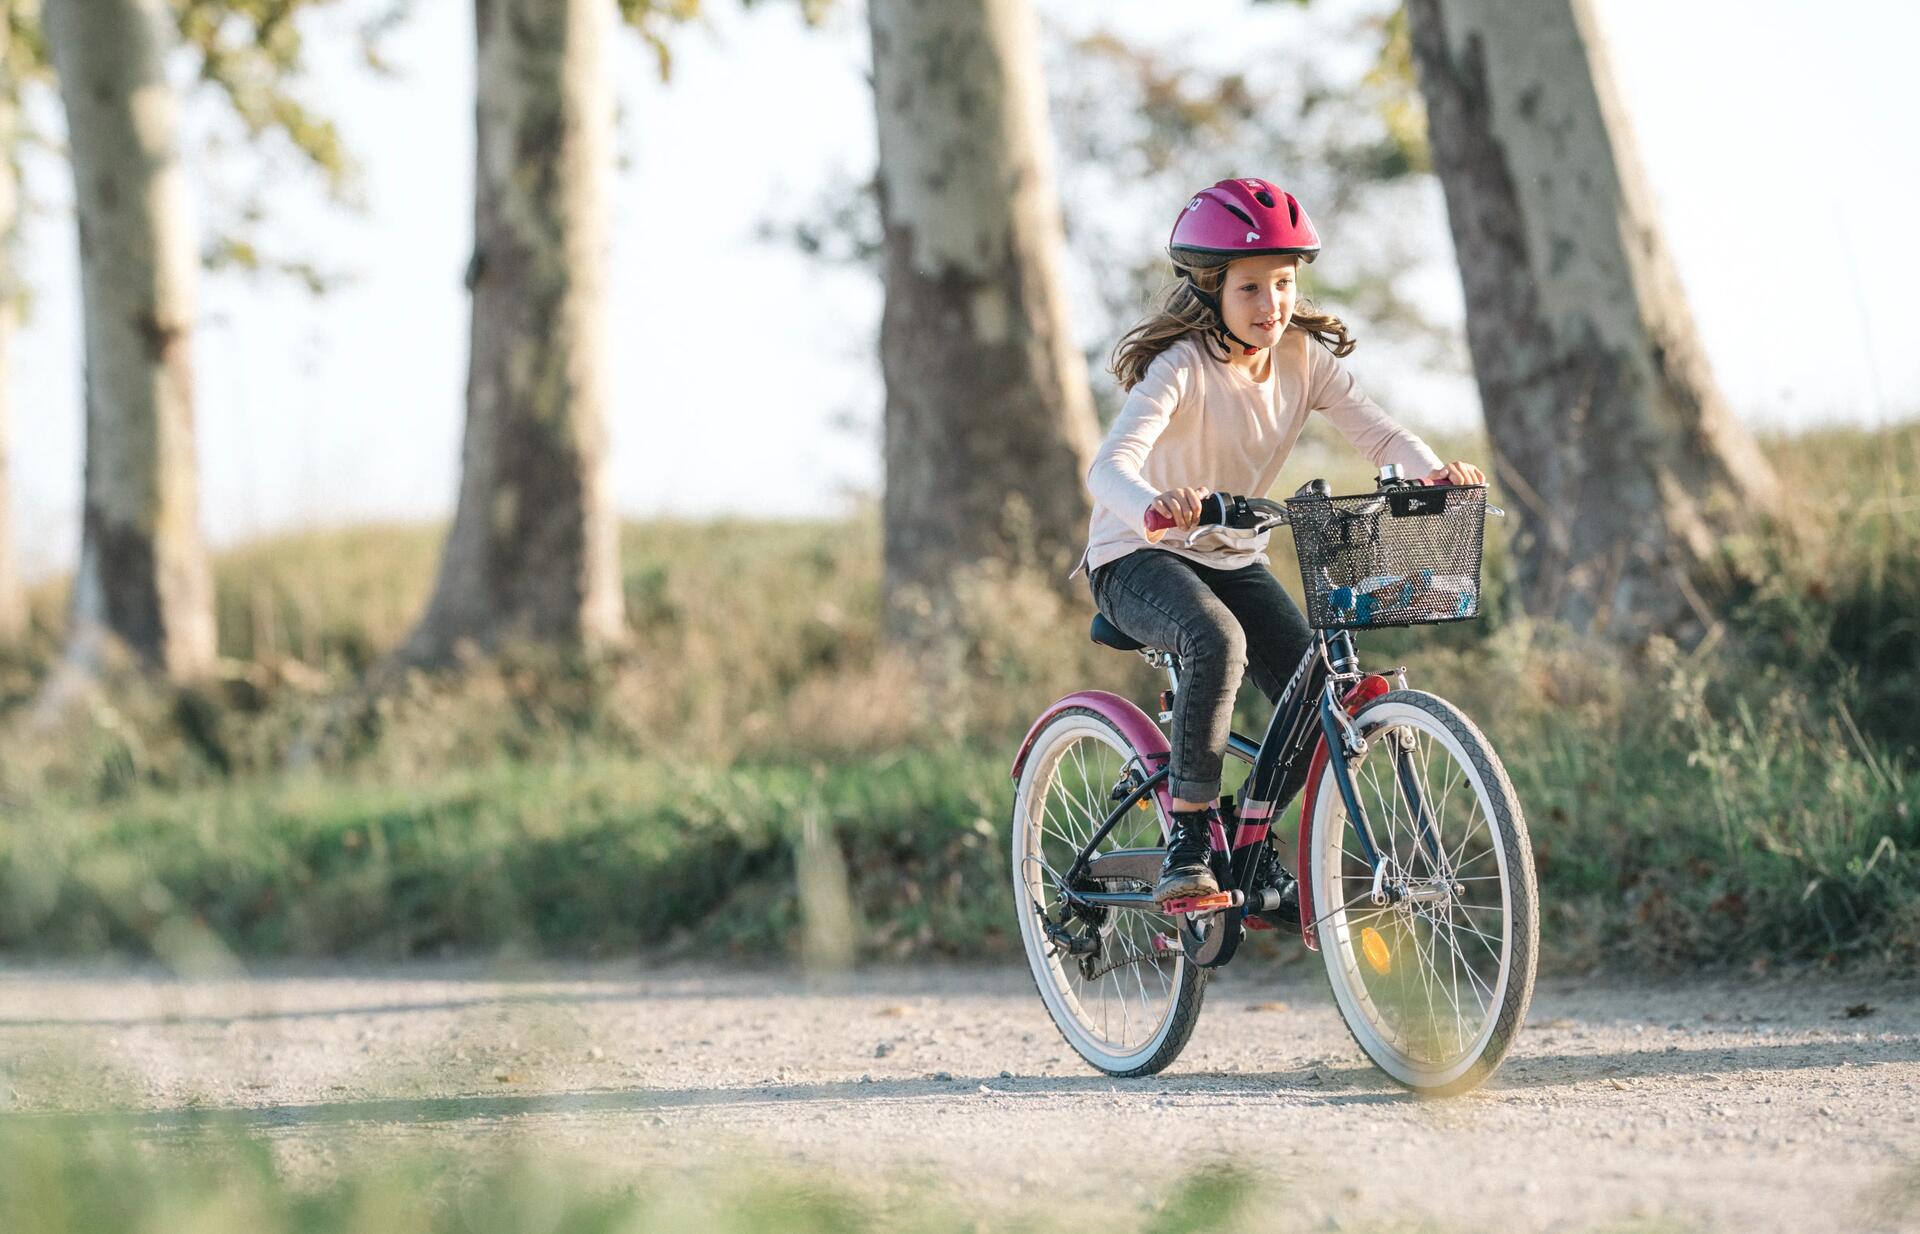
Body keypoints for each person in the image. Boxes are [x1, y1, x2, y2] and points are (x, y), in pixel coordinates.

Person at [1080, 177, 1486, 906]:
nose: (1271, 305)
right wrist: (1153, 507)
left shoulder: (1303, 359)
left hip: (1232, 553)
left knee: (1311, 690)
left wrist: (1434, 473)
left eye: (1284, 284)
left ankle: (1250, 835)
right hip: (1136, 555)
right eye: (1250, 289)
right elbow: (1108, 466)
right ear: (1211, 291)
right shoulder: (1183, 366)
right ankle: (1188, 843)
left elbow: (1378, 430)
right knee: (1216, 641)